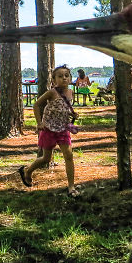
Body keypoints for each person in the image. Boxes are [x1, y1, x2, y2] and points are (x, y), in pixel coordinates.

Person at [17, 65, 80, 197]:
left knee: (69, 156)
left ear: (70, 78)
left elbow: (64, 107)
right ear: (54, 80)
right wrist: (39, 122)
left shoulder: (70, 92)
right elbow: (36, 104)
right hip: (49, 129)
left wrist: (72, 114)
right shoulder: (52, 92)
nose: (64, 78)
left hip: (63, 129)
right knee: (46, 158)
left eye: (66, 76)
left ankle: (71, 187)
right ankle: (27, 171)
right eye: (60, 76)